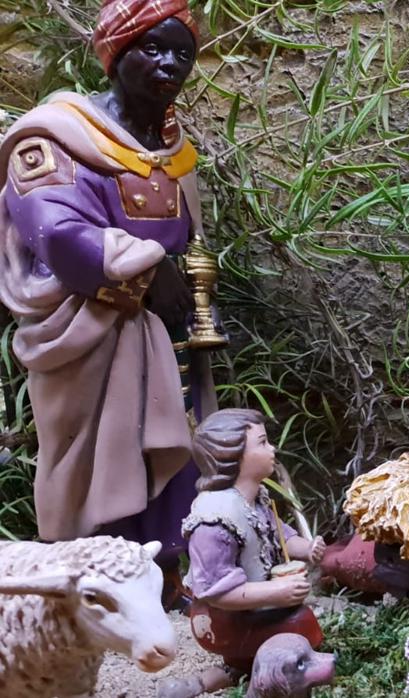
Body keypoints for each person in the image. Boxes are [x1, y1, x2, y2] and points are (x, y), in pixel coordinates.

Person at [0, 0, 217, 602]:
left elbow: (190, 241)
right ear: (116, 53)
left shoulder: (174, 149)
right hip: (83, 333)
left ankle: (161, 579)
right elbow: (58, 236)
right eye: (152, 48)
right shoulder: (51, 138)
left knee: (165, 450)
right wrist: (150, 274)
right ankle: (90, 583)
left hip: (158, 337)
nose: (169, 63)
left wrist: (191, 292)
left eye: (182, 52)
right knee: (88, 459)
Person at [160, 408, 326, 698]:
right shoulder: (215, 520)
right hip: (222, 616)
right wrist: (277, 593)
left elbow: (280, 535)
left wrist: (308, 549)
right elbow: (217, 591)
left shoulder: (256, 499)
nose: (272, 448)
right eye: (262, 443)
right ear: (234, 456)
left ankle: (236, 670)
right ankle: (257, 674)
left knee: (298, 624)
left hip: (255, 606)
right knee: (302, 624)